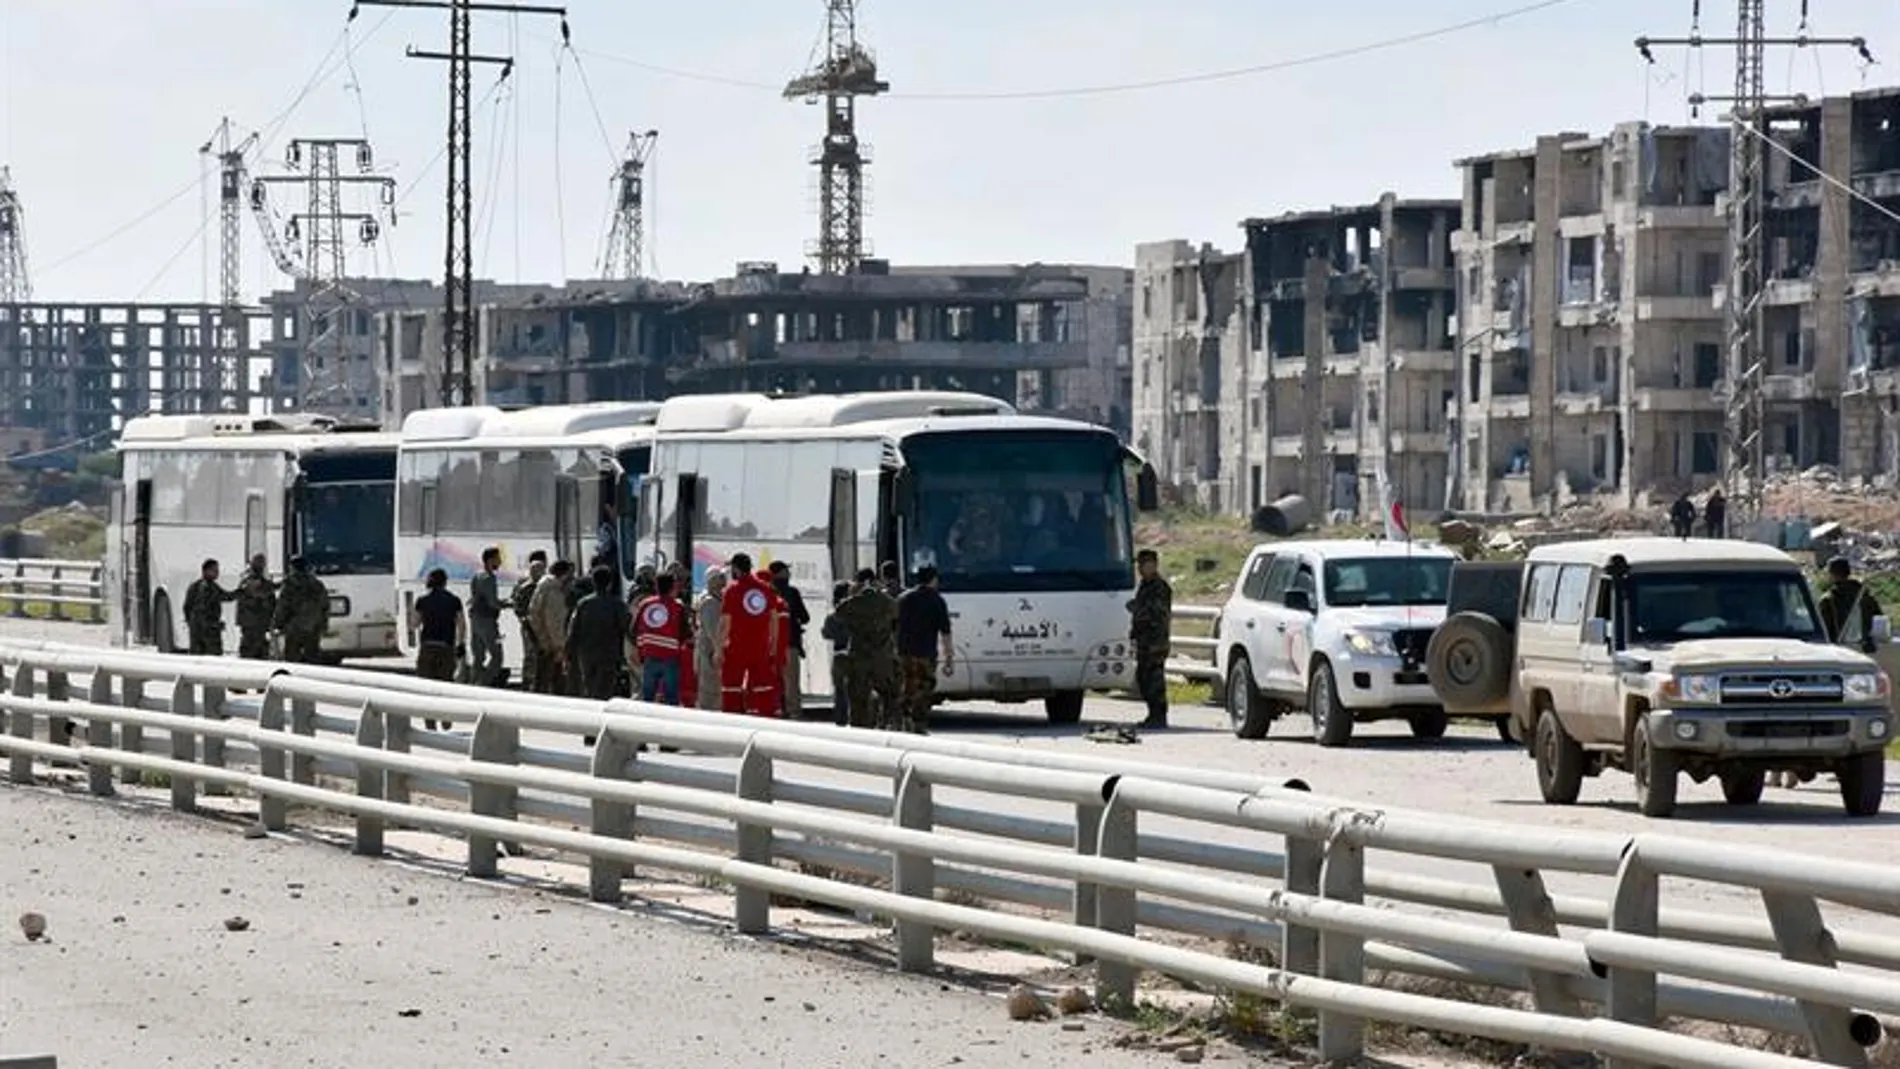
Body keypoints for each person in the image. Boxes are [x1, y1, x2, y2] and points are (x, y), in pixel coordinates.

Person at [568, 566, 630, 744]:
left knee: (590, 691)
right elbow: (626, 628)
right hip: (609, 655)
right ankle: (600, 732)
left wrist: (568, 653)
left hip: (586, 656)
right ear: (610, 583)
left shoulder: (584, 604)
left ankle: (590, 732)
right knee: (605, 694)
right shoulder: (617, 604)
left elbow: (573, 631)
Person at [834, 568, 900, 731]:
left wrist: (852, 594)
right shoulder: (886, 601)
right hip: (882, 656)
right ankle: (887, 723)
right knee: (888, 693)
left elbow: (838, 613)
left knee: (858, 696)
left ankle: (859, 727)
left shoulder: (853, 602)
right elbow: (895, 613)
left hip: (859, 656)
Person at [718, 553, 780, 717]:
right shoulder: (766, 589)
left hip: (736, 648)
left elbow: (726, 623)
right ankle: (766, 728)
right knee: (764, 691)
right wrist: (773, 645)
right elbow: (774, 620)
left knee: (731, 691)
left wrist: (719, 648)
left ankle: (733, 730)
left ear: (736, 569)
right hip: (760, 648)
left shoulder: (731, 590)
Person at [894, 565, 953, 734]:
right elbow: (945, 632)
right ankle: (918, 723)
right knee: (925, 687)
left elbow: (892, 625)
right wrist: (949, 658)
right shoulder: (937, 601)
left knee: (907, 685)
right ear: (933, 579)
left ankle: (903, 717)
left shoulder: (903, 599)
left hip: (904, 651)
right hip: (925, 653)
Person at [410, 568, 467, 731]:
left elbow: (414, 623)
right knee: (445, 685)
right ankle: (446, 720)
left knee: (427, 687)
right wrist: (460, 644)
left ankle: (430, 724)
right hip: (446, 647)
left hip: (427, 646)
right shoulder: (454, 600)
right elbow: (462, 624)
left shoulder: (422, 600)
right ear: (445, 582)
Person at [1129, 548, 1174, 730]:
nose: (1141, 568)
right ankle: (1152, 713)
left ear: (1153, 565)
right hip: (1144, 640)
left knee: (1154, 680)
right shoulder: (1145, 585)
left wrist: (1138, 612)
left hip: (1155, 641)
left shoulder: (1159, 586)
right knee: (1143, 678)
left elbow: (1158, 614)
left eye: (1145, 564)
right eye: (1139, 564)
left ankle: (1159, 715)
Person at [633, 572, 688, 705]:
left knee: (648, 698)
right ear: (673, 587)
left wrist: (640, 649)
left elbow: (634, 629)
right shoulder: (678, 607)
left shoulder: (645, 604)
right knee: (671, 698)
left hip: (649, 656)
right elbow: (685, 632)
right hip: (670, 657)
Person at [768, 561, 812, 718]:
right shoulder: (792, 592)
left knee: (773, 680)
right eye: (786, 570)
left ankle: (776, 710)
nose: (789, 573)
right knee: (791, 681)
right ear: (780, 573)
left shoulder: (766, 592)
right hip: (790, 643)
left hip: (769, 645)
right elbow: (805, 617)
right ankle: (794, 712)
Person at [1818, 556, 1883, 654]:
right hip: (1865, 650)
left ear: (1832, 574)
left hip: (1838, 651)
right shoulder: (1865, 597)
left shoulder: (1828, 600)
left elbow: (1822, 631)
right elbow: (1879, 623)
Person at [529, 560, 575, 696]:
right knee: (555, 680)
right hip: (550, 644)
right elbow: (554, 622)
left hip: (543, 640)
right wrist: (559, 647)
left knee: (541, 679)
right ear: (564, 574)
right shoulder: (554, 591)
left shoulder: (543, 586)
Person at [273, 556, 331, 664]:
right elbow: (325, 606)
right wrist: (324, 624)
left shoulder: (290, 584)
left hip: (294, 627)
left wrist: (277, 624)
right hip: (313, 626)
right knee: (312, 657)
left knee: (292, 658)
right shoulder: (317, 584)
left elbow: (283, 606)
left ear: (292, 567)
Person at [510, 550, 548, 692]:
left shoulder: (546, 586)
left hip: (543, 626)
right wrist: (525, 621)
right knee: (530, 655)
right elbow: (517, 606)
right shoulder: (525, 587)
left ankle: (541, 682)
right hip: (529, 627)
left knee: (544, 655)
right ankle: (528, 683)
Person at [183, 558, 235, 656]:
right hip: (208, 632)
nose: (217, 573)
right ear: (206, 571)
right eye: (214, 570)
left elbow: (187, 607)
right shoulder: (208, 588)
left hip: (197, 631)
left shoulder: (196, 586)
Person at [822, 579, 855, 726]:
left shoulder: (833, 615)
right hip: (852, 654)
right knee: (854, 688)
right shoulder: (854, 613)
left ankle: (840, 719)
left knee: (840, 689)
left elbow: (826, 633)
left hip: (838, 654)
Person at [695, 570, 728, 711]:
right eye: (720, 578)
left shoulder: (717, 600)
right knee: (710, 684)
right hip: (710, 649)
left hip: (712, 648)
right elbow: (713, 631)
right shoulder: (710, 603)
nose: (724, 581)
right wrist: (718, 651)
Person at [234, 554, 277, 661]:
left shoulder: (256, 580)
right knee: (251, 650)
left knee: (260, 649)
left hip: (257, 622)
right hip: (253, 622)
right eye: (261, 563)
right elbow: (260, 594)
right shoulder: (251, 580)